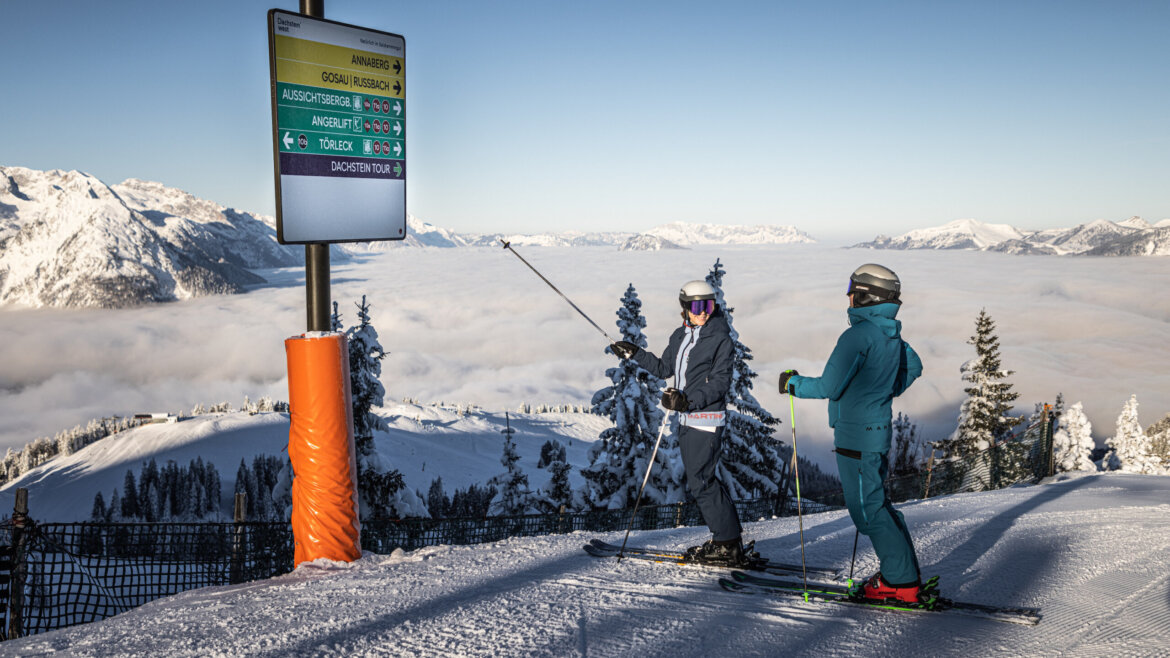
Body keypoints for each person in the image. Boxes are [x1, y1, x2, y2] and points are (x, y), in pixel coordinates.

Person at [779, 264, 925, 602]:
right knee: (879, 506)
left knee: (868, 512)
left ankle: (900, 583)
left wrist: (792, 383)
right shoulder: (889, 333)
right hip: (875, 433)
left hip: (856, 436)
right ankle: (904, 575)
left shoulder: (858, 336)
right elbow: (914, 365)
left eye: (852, 287)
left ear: (865, 295)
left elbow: (829, 386)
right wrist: (882, 391)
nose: (848, 294)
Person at [610, 280, 754, 566]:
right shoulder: (680, 336)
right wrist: (635, 354)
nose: (704, 312)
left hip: (706, 418)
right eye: (698, 306)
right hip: (687, 418)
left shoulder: (719, 338)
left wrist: (688, 400)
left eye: (709, 306)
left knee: (702, 482)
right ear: (685, 308)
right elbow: (665, 369)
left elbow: (721, 383)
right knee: (703, 480)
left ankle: (727, 543)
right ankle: (728, 539)